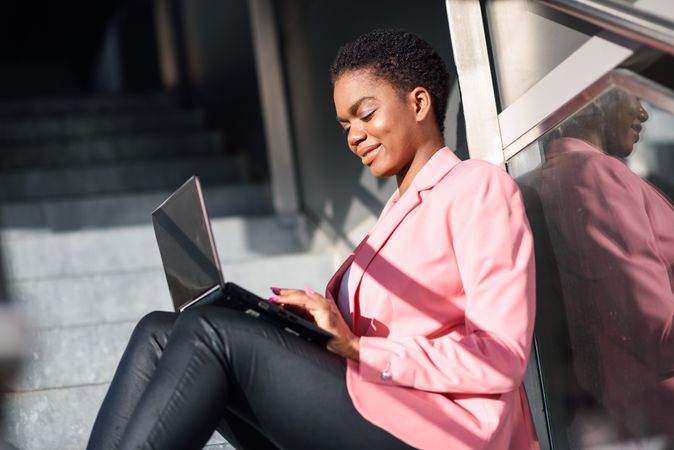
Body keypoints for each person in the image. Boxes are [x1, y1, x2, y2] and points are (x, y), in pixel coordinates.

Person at [87, 29, 538, 450]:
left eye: (365, 114)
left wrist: (362, 348)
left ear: (418, 103)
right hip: (373, 406)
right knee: (159, 330)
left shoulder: (476, 187)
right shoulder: (389, 221)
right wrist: (302, 328)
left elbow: (502, 355)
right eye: (345, 126)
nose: (354, 136)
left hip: (444, 430)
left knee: (209, 333)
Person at [539, 88, 674, 444]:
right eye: (635, 97)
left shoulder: (572, 171)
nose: (644, 113)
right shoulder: (593, 173)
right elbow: (656, 331)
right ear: (596, 98)